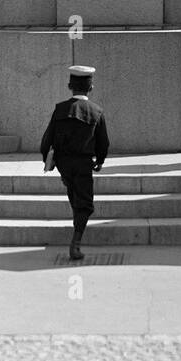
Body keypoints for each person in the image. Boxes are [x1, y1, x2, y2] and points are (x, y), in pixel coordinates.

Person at [40, 65, 109, 261]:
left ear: (70, 86)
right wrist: (100, 161)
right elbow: (104, 142)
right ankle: (75, 244)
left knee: (75, 198)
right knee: (86, 205)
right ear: (91, 87)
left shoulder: (60, 109)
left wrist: (48, 160)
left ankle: (76, 232)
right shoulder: (96, 111)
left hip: (64, 163)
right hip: (82, 163)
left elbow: (47, 138)